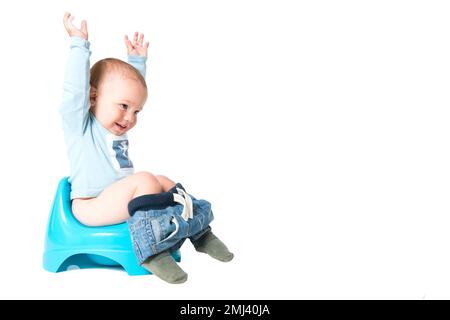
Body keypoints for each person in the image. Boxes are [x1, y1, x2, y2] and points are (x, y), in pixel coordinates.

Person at [60, 12, 233, 284]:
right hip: (90, 206)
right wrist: (79, 45)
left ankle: (199, 232)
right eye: (124, 107)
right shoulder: (82, 127)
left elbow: (129, 89)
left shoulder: (117, 122)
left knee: (163, 181)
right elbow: (73, 93)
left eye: (137, 111)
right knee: (145, 180)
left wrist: (137, 63)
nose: (130, 118)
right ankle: (150, 251)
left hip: (113, 200)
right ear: (92, 97)